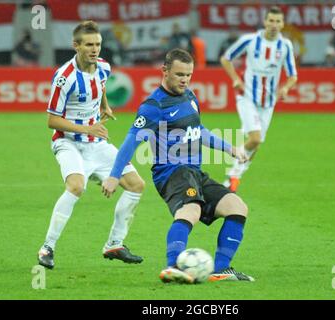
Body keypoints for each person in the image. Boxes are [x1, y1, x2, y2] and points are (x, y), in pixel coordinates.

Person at [102, 48, 254, 283]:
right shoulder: (154, 105)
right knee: (191, 211)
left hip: (194, 172)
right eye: (179, 74)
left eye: (188, 75)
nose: (184, 80)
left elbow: (199, 131)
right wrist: (114, 175)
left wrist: (230, 148)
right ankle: (172, 266)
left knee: (237, 207)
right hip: (171, 173)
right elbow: (131, 141)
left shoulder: (190, 97)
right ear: (164, 71)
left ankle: (221, 270)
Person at [38, 21, 145, 269]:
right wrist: (87, 127)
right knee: (76, 187)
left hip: (97, 144)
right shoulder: (64, 78)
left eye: (97, 44)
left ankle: (115, 245)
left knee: (136, 185)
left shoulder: (104, 68)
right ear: (76, 46)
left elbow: (101, 85)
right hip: (68, 143)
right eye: (89, 45)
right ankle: (47, 248)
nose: (95, 49)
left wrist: (104, 105)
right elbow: (52, 120)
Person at [220, 6, 298, 192]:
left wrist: (286, 88)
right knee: (254, 139)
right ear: (265, 21)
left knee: (257, 143)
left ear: (282, 24)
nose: (274, 24)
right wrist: (236, 79)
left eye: (278, 21)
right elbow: (226, 58)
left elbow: (292, 75)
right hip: (247, 96)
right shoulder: (250, 40)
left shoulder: (285, 45)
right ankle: (233, 175)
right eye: (271, 20)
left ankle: (233, 178)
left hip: (268, 102)